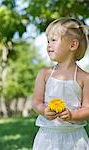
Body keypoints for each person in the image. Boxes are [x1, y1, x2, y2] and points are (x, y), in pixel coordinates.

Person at [32, 17, 89, 150]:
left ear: (73, 45)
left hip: (75, 138)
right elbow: (36, 101)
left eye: (53, 40)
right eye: (48, 41)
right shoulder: (44, 74)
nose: (48, 45)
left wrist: (72, 115)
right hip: (47, 136)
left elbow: (87, 108)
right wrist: (44, 111)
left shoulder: (85, 78)